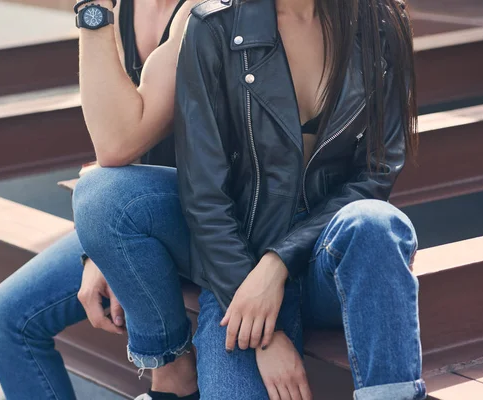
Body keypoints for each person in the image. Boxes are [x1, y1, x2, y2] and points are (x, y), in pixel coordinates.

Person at [173, 0, 425, 399]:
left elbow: (377, 173)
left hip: (328, 263)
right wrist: (264, 334)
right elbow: (204, 195)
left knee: (376, 222)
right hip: (242, 270)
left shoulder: (381, 23)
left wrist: (278, 262)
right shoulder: (215, 27)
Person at [0, 0, 204, 399]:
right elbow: (109, 134)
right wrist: (100, 248)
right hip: (132, 213)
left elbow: (117, 145)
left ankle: (173, 379)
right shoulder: (119, 8)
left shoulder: (207, 10)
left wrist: (111, 240)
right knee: (3, 319)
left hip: (208, 221)